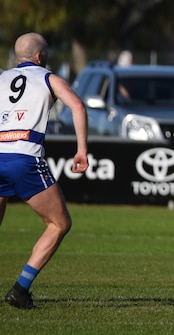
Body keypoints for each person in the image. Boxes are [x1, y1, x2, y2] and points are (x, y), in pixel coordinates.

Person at [0, 32, 89, 310]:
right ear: (40, 56)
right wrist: (82, 149)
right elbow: (77, 105)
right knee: (59, 223)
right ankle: (20, 290)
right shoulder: (49, 78)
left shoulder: (2, 78)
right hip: (24, 158)